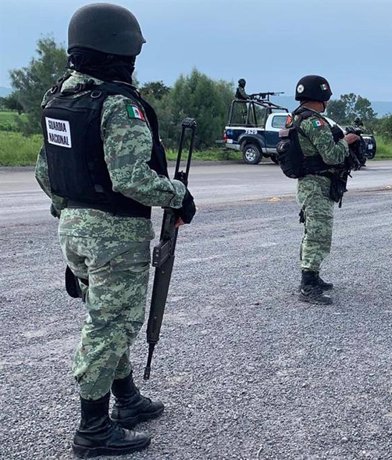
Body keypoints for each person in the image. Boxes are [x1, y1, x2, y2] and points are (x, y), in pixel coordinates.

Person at [35, 3, 196, 457]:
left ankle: (126, 399)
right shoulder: (117, 104)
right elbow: (131, 179)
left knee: (107, 316)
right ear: (122, 50)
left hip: (73, 227)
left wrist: (73, 219)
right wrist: (177, 194)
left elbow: (45, 173)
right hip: (114, 233)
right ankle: (92, 430)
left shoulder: (59, 99)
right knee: (111, 325)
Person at [289, 75, 360, 304]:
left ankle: (313, 275)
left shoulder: (296, 117)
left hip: (311, 183)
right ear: (321, 97)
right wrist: (346, 141)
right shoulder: (315, 122)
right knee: (318, 233)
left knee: (314, 231)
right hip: (316, 184)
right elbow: (332, 155)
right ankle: (307, 284)